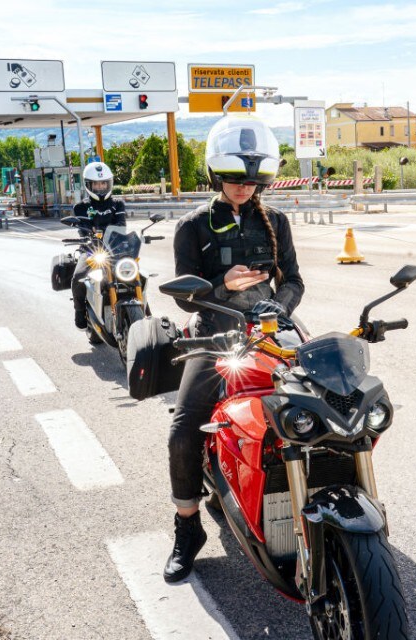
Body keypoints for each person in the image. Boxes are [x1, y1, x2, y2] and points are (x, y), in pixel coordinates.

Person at [164, 115, 304, 583]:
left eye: (251, 180)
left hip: (271, 333)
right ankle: (188, 529)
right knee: (183, 430)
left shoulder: (276, 221)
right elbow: (186, 294)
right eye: (232, 179)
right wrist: (222, 287)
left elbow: (295, 280)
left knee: (317, 407)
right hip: (215, 334)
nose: (242, 187)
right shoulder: (193, 225)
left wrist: (276, 309)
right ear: (214, 175)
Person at [71, 161, 126, 329]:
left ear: (109, 183)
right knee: (78, 277)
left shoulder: (118, 204)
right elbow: (83, 229)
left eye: (103, 183)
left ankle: (145, 313)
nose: (100, 187)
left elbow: (121, 226)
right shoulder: (81, 207)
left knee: (134, 274)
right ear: (89, 185)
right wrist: (91, 233)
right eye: (96, 183)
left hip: (114, 250)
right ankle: (79, 311)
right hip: (91, 250)